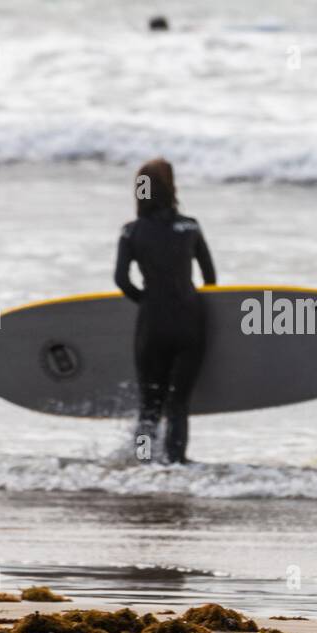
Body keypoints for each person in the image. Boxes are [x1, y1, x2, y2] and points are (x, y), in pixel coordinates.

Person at [114, 158, 216, 463]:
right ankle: (176, 463)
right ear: (172, 188)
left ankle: (145, 463)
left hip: (153, 324)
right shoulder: (191, 226)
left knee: (149, 405)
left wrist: (146, 300)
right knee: (178, 404)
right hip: (189, 322)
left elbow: (121, 279)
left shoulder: (131, 232)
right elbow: (210, 279)